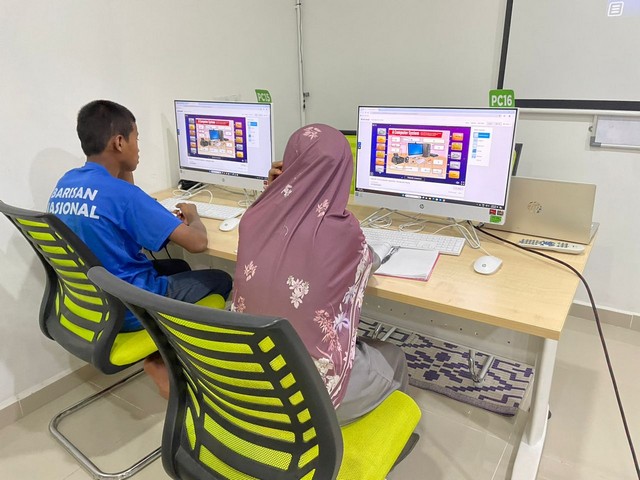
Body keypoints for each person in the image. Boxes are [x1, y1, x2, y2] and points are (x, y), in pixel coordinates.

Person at [48, 100, 232, 396]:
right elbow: (198, 243)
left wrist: (128, 174)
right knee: (220, 279)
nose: (138, 147)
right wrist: (194, 215)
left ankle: (163, 349)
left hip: (93, 303)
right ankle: (162, 358)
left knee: (178, 266)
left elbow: (122, 202)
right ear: (119, 142)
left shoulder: (66, 183)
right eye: (136, 138)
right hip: (132, 306)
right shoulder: (123, 196)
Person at [232, 123, 408, 424]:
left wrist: (275, 193)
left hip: (248, 374)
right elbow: (367, 261)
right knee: (395, 357)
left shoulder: (252, 217)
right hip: (308, 396)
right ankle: (384, 434)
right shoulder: (341, 231)